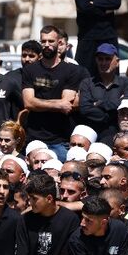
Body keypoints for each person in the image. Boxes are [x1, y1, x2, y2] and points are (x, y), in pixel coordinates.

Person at [22, 26, 82, 161]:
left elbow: (66, 104)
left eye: (51, 41)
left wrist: (38, 102)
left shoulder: (71, 70)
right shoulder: (30, 70)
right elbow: (28, 102)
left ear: (59, 43)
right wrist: (58, 104)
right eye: (43, 41)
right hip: (35, 139)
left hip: (60, 139)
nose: (47, 45)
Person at [78, 43, 128, 142]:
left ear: (117, 62)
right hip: (91, 137)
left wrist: (99, 103)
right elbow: (85, 109)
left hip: (118, 138)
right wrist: (110, 115)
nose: (103, 62)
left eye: (108, 59)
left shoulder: (127, 83)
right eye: (100, 59)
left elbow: (126, 105)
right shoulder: (87, 83)